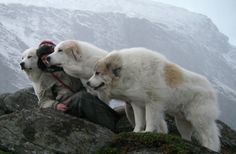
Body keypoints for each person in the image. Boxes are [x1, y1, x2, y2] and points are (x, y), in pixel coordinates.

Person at [36, 40, 120, 132]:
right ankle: (115, 127)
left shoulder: (70, 68)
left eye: (48, 56)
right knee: (83, 97)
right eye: (43, 59)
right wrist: (56, 105)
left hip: (85, 99)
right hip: (68, 104)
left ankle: (116, 119)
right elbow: (43, 101)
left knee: (93, 94)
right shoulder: (45, 78)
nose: (46, 61)